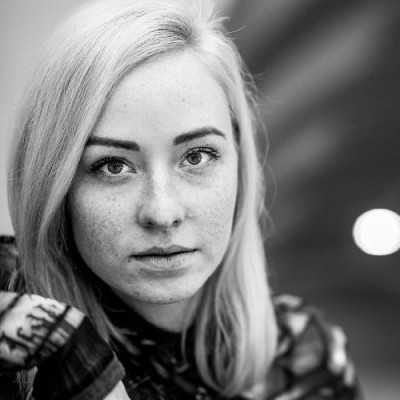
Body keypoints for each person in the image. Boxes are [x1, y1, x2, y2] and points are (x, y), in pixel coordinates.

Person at [0, 1, 363, 399]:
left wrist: (86, 373)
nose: (162, 212)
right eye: (113, 166)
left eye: (196, 157)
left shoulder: (305, 359)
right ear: (55, 184)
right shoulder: (15, 332)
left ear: (240, 162)